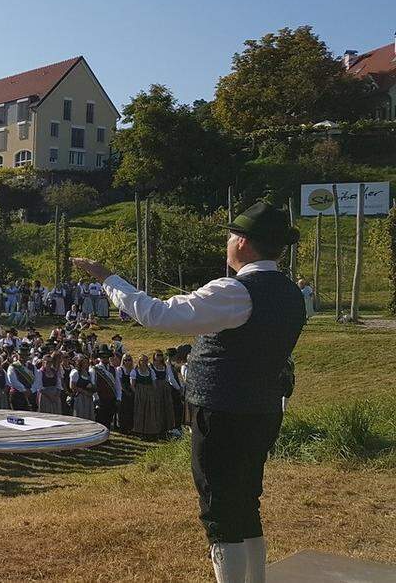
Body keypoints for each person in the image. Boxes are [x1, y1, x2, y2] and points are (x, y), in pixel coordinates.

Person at [73, 200, 307, 583]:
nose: (228, 242)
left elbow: (158, 314)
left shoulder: (234, 291)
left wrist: (108, 278)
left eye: (232, 235)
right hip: (263, 408)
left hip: (223, 411)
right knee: (246, 503)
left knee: (217, 507)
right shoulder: (290, 292)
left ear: (244, 243)